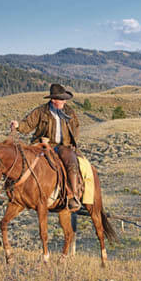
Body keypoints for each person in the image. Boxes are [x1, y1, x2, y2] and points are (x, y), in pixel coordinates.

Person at [10, 83, 82, 211]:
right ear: (53, 100)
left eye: (64, 99)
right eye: (61, 99)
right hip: (43, 144)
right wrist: (18, 125)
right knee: (26, 163)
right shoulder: (41, 111)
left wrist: (72, 144)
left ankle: (72, 196)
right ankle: (24, 193)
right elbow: (27, 125)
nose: (63, 101)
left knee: (71, 162)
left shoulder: (69, 111)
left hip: (63, 146)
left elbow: (75, 128)